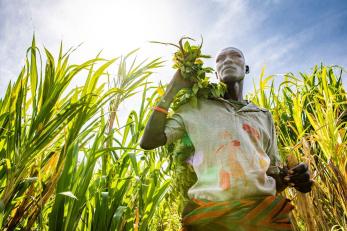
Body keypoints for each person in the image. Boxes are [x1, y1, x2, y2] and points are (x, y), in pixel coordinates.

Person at [140, 47, 313, 230]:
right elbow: (149, 141)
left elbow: (271, 176)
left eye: (235, 56)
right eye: (220, 59)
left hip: (263, 218)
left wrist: (291, 178)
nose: (227, 60)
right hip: (211, 219)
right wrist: (171, 90)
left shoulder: (263, 115)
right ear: (215, 73)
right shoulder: (194, 108)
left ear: (246, 68)